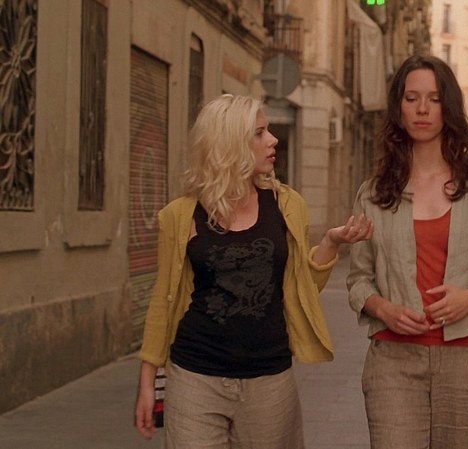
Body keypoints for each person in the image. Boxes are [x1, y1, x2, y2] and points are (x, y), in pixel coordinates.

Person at [133, 94, 373, 448]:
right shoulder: (179, 216)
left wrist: (330, 243)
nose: (272, 140)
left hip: (268, 377)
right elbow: (162, 302)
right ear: (230, 144)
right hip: (194, 375)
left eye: (268, 130)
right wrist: (147, 383)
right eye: (259, 133)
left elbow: (299, 288)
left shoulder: (287, 206)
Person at [346, 54, 468, 449]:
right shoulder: (374, 192)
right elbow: (358, 280)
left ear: (449, 107)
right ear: (399, 107)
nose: (422, 109)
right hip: (393, 363)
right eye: (412, 98)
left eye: (434, 98)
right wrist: (384, 309)